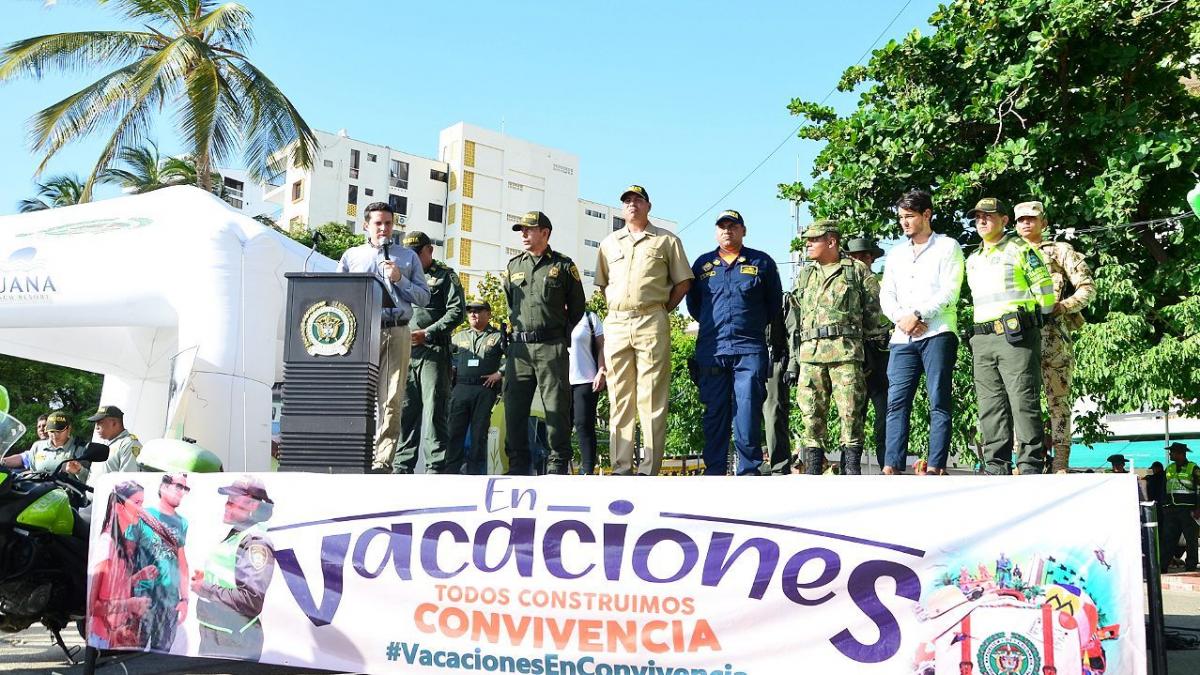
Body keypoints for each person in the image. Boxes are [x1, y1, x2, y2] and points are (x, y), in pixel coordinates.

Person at [594, 185, 693, 476]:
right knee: (619, 397)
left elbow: (683, 283)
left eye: (638, 200)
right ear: (622, 209)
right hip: (616, 322)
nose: (632, 205)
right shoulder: (609, 243)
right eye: (627, 201)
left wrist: (660, 309)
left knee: (651, 396)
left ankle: (649, 469)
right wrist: (620, 309)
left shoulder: (666, 240)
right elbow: (603, 286)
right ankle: (621, 467)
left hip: (652, 319)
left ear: (649, 206)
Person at [336, 201, 430, 473]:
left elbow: (424, 297)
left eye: (388, 223)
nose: (384, 228)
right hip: (361, 332)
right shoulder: (351, 256)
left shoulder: (407, 257)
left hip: (397, 329)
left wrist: (400, 278)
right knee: (356, 396)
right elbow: (337, 293)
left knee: (391, 398)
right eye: (378, 223)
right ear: (366, 224)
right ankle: (355, 455)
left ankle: (382, 461)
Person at [686, 210, 782, 476]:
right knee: (714, 412)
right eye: (723, 226)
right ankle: (715, 470)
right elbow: (695, 306)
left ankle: (749, 469)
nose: (727, 230)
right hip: (712, 349)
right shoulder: (702, 265)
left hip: (749, 349)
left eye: (733, 226)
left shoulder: (762, 262)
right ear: (716, 232)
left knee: (748, 410)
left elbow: (774, 304)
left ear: (743, 230)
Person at [964, 197, 1056, 475]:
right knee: (990, 405)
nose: (982, 221)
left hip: (1015, 335)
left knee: (1023, 400)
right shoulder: (973, 259)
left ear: (1004, 220)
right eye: (978, 216)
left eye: (988, 216)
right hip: (982, 338)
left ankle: (1029, 465)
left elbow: (1045, 287)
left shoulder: (1020, 249)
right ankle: (996, 466)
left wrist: (1038, 317)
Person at [879, 190, 965, 476]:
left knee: (938, 399)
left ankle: (936, 464)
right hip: (902, 337)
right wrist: (902, 319)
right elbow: (886, 294)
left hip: (937, 331)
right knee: (897, 401)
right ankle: (892, 464)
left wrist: (918, 314)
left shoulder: (948, 247)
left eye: (910, 216)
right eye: (901, 217)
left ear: (926, 214)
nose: (904, 223)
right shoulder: (896, 254)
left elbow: (950, 291)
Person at [787, 221, 882, 476]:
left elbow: (874, 314)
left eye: (813, 239)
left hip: (845, 354)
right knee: (810, 416)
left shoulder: (857, 271)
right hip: (810, 356)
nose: (808, 244)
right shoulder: (806, 274)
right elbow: (797, 315)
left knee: (851, 414)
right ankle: (813, 471)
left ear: (831, 241)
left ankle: (851, 471)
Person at [502, 211, 586, 475]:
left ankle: (557, 463)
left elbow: (577, 308)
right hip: (519, 349)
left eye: (529, 229)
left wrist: (561, 337)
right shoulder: (514, 266)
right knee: (514, 407)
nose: (524, 235)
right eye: (522, 231)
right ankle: (518, 463)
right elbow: (509, 305)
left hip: (551, 346)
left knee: (556, 407)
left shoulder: (563, 265)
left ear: (545, 233)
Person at [1014, 201, 1095, 473]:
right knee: (1022, 402)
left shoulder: (1060, 251)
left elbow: (1087, 288)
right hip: (1019, 338)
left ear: (1043, 223)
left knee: (1058, 402)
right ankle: (1024, 462)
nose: (1027, 224)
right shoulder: (1008, 254)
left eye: (1032, 219)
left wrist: (1063, 307)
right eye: (1021, 220)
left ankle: (1061, 462)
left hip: (1054, 336)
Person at [394, 230, 465, 474]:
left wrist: (428, 332)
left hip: (433, 351)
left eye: (417, 253)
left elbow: (457, 312)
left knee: (435, 410)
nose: (412, 258)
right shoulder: (400, 276)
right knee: (404, 411)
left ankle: (435, 468)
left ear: (429, 251)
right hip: (403, 350)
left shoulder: (445, 276)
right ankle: (401, 466)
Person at [192, 475, 276, 660]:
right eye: (227, 501)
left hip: (234, 641)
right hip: (219, 635)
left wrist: (205, 588)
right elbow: (230, 576)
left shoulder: (256, 542)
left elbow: (251, 600)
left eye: (232, 502)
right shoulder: (238, 533)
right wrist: (209, 578)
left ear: (253, 505)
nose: (226, 506)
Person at [87, 480, 158, 649]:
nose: (142, 509)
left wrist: (137, 577)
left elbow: (111, 588)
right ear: (118, 507)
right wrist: (130, 604)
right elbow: (92, 606)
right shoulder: (106, 545)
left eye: (143, 503)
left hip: (110, 637)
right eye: (137, 503)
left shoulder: (119, 543)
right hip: (101, 638)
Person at [845, 235, 891, 472]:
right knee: (852, 414)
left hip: (882, 353)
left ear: (872, 258)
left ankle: (888, 464)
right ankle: (849, 467)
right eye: (855, 256)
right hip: (854, 354)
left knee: (886, 415)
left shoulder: (884, 282)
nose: (861, 260)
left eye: (866, 256)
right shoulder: (844, 285)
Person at [132, 473, 190, 652]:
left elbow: (182, 561)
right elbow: (126, 554)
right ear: (163, 487)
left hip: (169, 600)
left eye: (185, 488)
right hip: (143, 596)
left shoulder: (182, 522)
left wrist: (185, 599)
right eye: (178, 486)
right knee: (133, 652)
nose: (182, 492)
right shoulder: (143, 515)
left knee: (162, 655)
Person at [449, 301, 505, 475]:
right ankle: (449, 473)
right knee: (453, 433)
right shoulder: (458, 337)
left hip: (484, 389)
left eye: (478, 310)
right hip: (460, 388)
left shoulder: (498, 336)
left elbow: (515, 357)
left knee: (479, 434)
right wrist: (450, 368)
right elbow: (446, 355)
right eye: (470, 311)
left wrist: (500, 373)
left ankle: (475, 475)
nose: (473, 314)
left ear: (489, 314)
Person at [568, 310, 606, 475]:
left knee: (583, 424)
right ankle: (559, 467)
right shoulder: (552, 313)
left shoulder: (589, 317)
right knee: (560, 426)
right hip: (560, 382)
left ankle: (587, 469)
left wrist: (602, 371)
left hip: (586, 379)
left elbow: (602, 346)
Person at [761, 295, 795, 475]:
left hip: (773, 360)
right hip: (745, 359)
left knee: (773, 413)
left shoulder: (782, 299)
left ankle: (779, 468)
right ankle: (750, 465)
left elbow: (793, 330)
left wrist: (792, 365)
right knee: (743, 415)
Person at [2, 410, 88, 479]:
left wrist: (79, 471)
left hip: (69, 497)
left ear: (69, 429)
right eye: (51, 431)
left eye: (59, 430)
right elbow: (28, 464)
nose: (54, 434)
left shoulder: (81, 449)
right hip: (42, 496)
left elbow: (92, 482)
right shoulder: (37, 447)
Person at [1162, 442, 1200, 572]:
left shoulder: (1193, 468)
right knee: (1168, 539)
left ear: (1180, 453)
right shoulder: (1169, 468)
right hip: (1171, 509)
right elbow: (1163, 487)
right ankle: (1163, 566)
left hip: (1188, 510)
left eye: (1172, 452)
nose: (1170, 454)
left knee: (1191, 540)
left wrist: (1198, 508)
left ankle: (1191, 566)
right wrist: (1164, 506)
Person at [87, 404, 142, 486]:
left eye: (100, 422)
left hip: (108, 498)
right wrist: (79, 471)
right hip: (92, 497)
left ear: (114, 423)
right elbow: (95, 478)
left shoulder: (129, 444)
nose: (96, 427)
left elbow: (127, 484)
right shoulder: (105, 443)